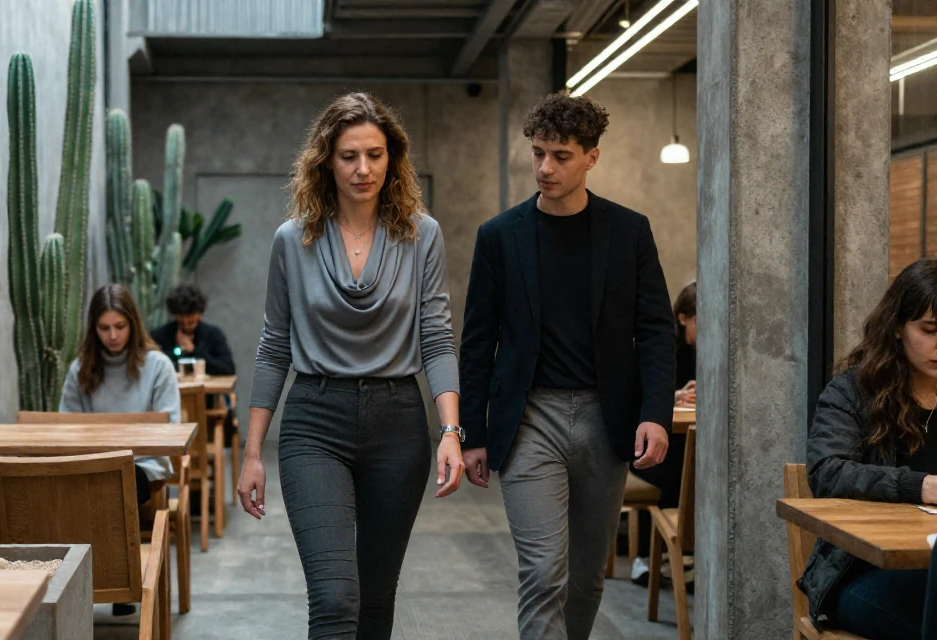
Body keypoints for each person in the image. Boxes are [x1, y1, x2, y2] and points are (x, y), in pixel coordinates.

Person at [237, 92, 465, 639]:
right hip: (316, 421)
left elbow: (436, 336)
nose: (363, 169)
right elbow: (274, 346)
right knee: (337, 597)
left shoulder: (421, 234)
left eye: (376, 154)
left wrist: (451, 430)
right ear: (326, 161)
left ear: (393, 158)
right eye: (348, 156)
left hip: (399, 423)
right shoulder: (293, 240)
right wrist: (250, 454)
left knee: (375, 599)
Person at [459, 91, 676, 640]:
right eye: (537, 153)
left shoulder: (629, 231)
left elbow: (654, 330)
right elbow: (477, 342)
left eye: (560, 155)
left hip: (608, 419)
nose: (545, 167)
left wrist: (655, 412)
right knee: (543, 572)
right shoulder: (499, 237)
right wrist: (472, 434)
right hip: (531, 418)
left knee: (585, 579)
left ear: (591, 158)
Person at [801, 258, 937, 639]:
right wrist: (920, 485)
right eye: (930, 330)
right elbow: (827, 472)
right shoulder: (853, 392)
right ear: (897, 327)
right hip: (858, 572)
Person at [60, 284, 180, 618]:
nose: (112, 335)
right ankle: (81, 584)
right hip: (91, 464)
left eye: (120, 326)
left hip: (144, 464)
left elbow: (169, 428)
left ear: (133, 324)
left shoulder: (157, 366)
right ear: (93, 329)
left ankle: (116, 582)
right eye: (104, 328)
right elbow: (66, 430)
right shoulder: (80, 369)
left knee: (114, 487)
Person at [630, 281, 696, 585]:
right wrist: (675, 396)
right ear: (682, 317)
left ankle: (685, 552)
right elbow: (637, 396)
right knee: (674, 465)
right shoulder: (663, 346)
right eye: (701, 320)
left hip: (682, 441)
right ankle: (647, 557)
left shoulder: (706, 352)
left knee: (692, 464)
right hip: (642, 444)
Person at [150, 283, 236, 376]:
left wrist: (194, 351)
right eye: (181, 322)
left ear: (200, 316)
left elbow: (228, 369)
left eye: (191, 322)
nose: (186, 326)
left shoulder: (213, 334)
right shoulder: (160, 335)